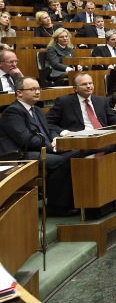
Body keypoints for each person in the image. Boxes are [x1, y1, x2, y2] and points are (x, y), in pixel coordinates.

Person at [0, 77, 79, 216]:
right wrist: (52, 147)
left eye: (38, 89)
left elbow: (48, 129)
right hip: (22, 154)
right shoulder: (12, 112)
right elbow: (25, 139)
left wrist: (56, 140)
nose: (37, 92)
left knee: (78, 153)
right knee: (62, 161)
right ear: (19, 93)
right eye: (32, 89)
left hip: (40, 150)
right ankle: (56, 207)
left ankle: (74, 200)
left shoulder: (36, 110)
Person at [47, 72, 116, 137]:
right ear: (75, 88)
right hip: (81, 138)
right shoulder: (64, 102)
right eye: (84, 84)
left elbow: (112, 119)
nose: (89, 86)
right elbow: (48, 122)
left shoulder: (101, 100)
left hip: (103, 136)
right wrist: (65, 132)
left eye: (90, 83)